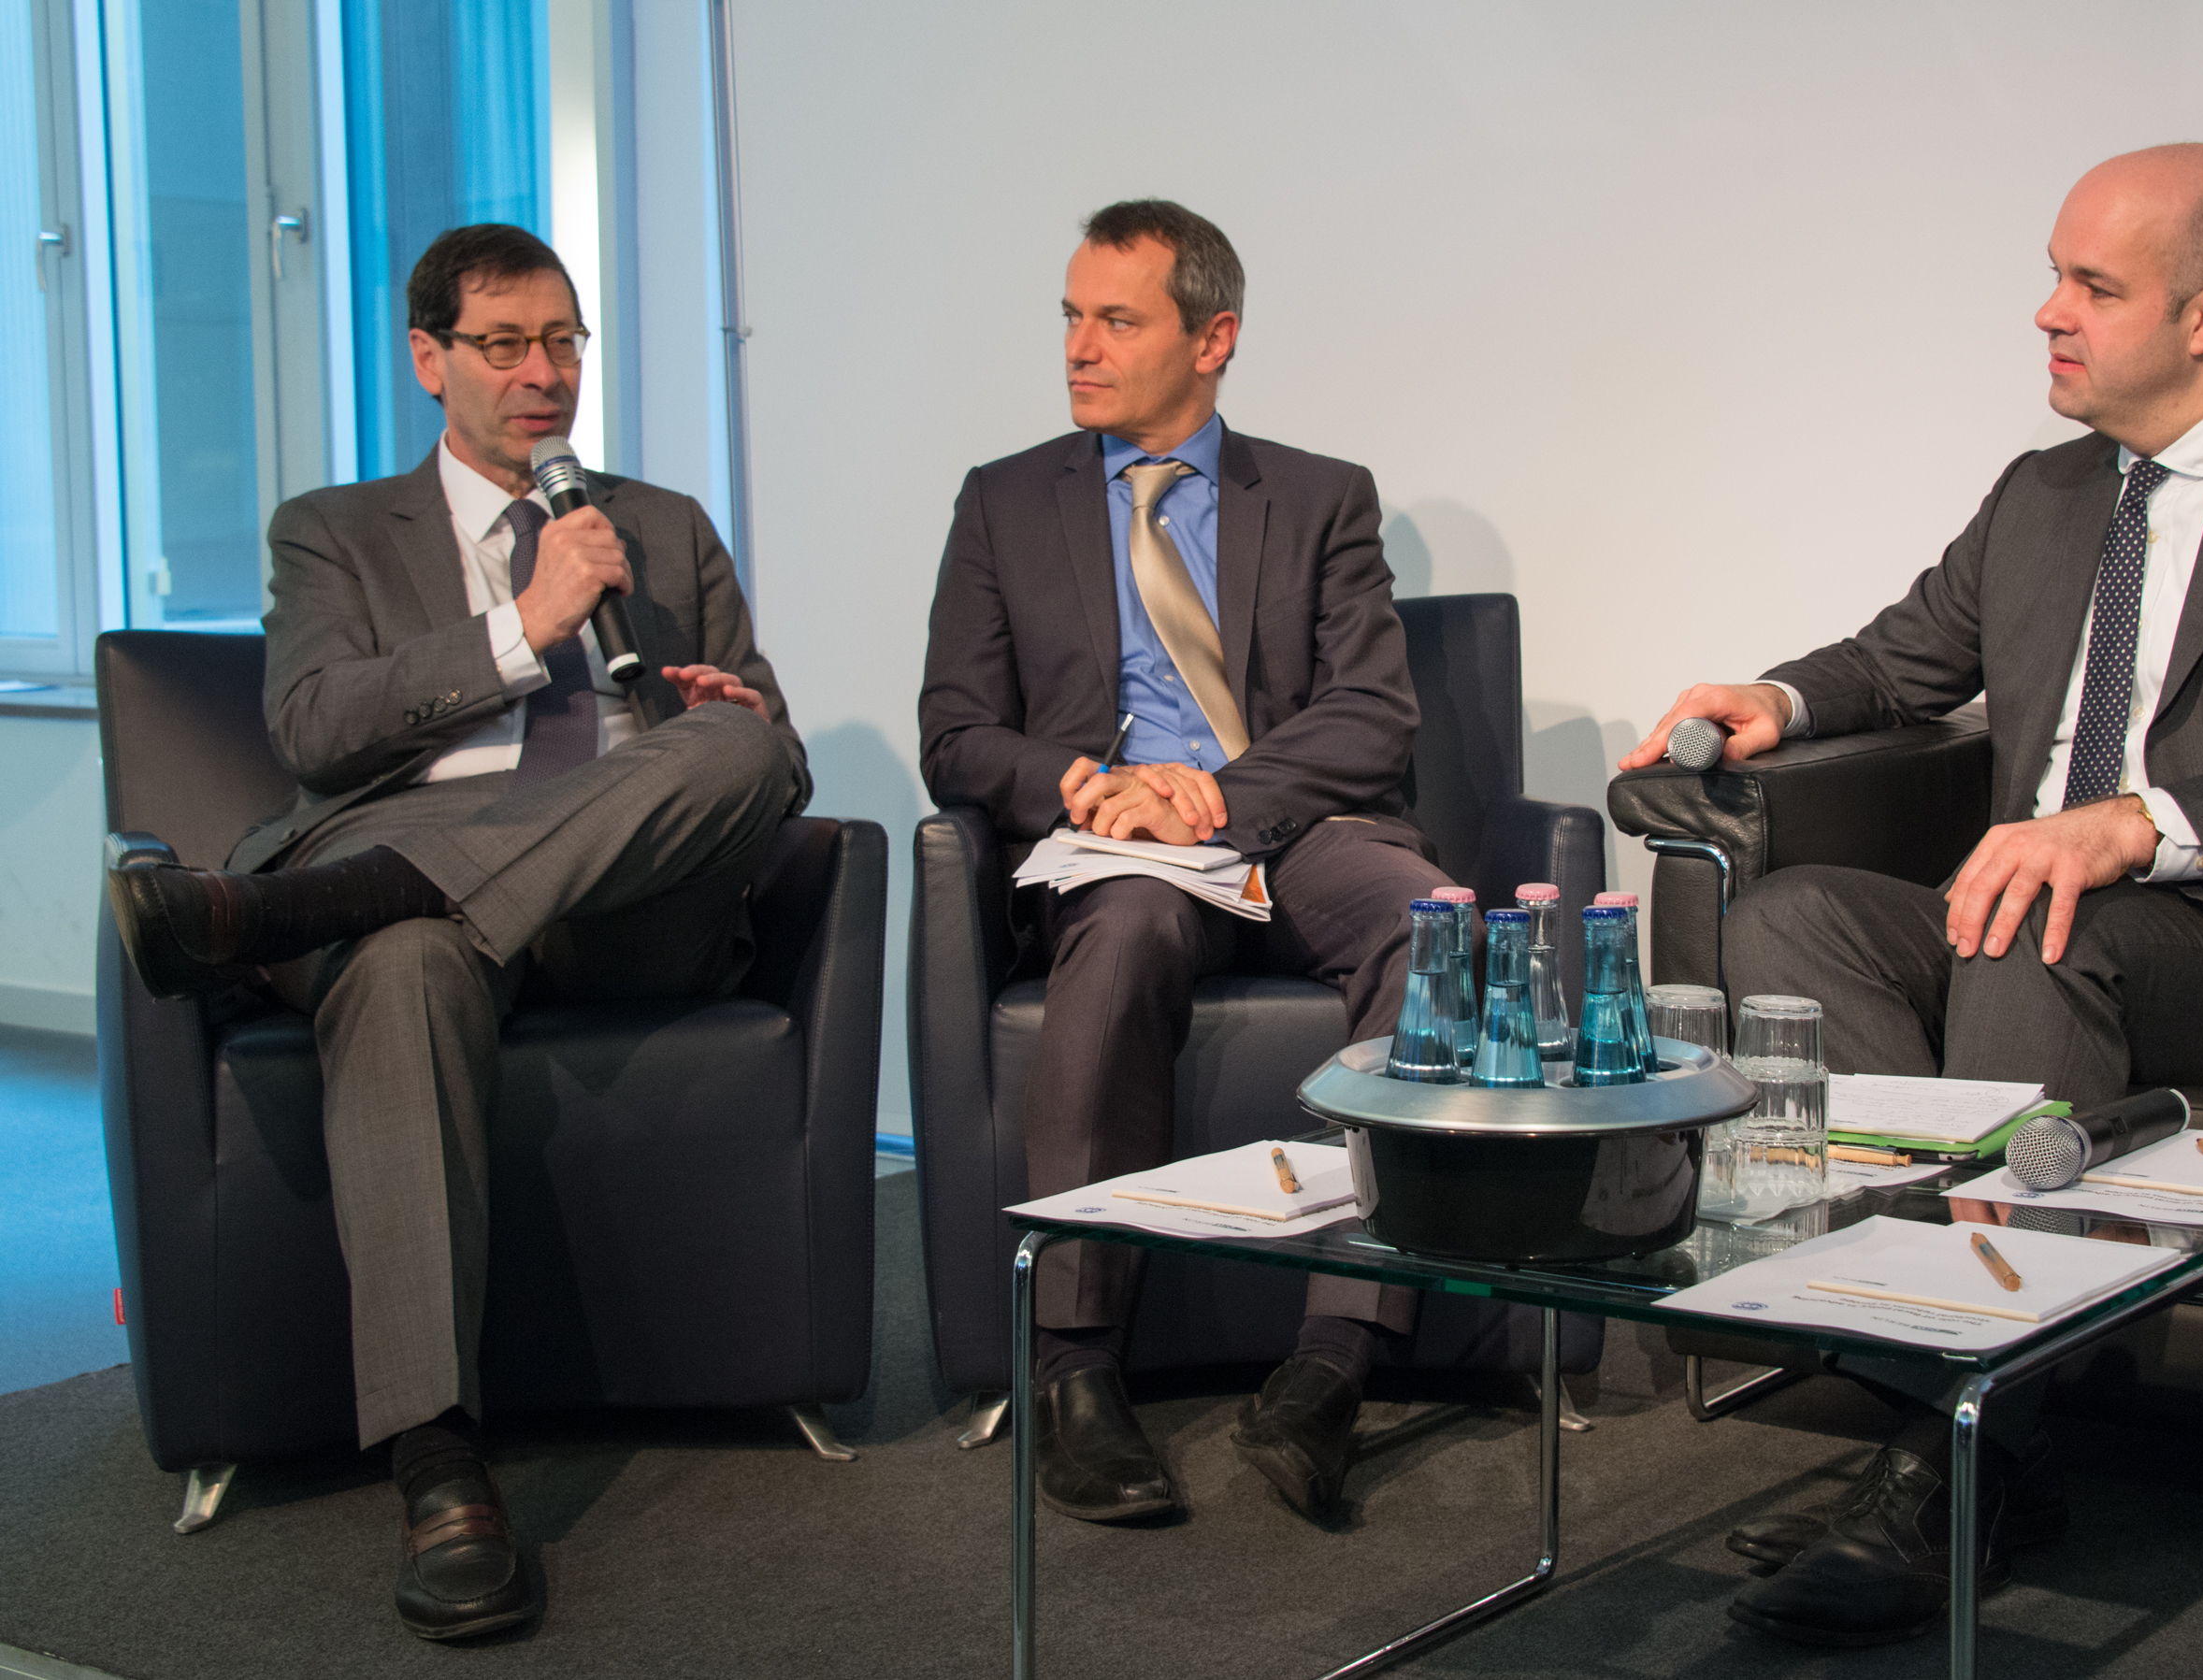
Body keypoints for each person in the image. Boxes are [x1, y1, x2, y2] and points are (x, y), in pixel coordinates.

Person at [1616, 143, 2203, 1647]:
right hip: (2030, 915)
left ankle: (1944, 1463)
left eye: (2091, 284)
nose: (2046, 313)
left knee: (2035, 915)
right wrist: (1772, 693)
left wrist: (2133, 825)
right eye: (2052, 275)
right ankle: (1974, 1419)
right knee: (1790, 924)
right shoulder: (2043, 490)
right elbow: (1904, 657)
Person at [103, 223, 807, 1640]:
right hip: (409, 866)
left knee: (747, 759)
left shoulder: (661, 521)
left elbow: (758, 746)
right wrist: (523, 624)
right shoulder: (332, 531)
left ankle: (298, 910)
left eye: (563, 342)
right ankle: (438, 1463)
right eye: (505, 345)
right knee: (412, 954)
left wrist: (729, 715)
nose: (543, 374)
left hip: (615, 911)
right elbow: (312, 729)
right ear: (429, 359)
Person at [919, 199, 1453, 1527]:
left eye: (1116, 318)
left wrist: (1214, 793)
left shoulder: (1322, 496)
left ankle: (1333, 1361)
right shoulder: (1003, 502)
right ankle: (1077, 1366)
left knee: (1432, 920)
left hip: (1291, 826)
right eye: (1069, 315)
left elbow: (1372, 712)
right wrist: (1081, 786)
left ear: (1211, 338)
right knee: (1127, 929)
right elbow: (954, 730)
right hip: (1116, 842)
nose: (1078, 348)